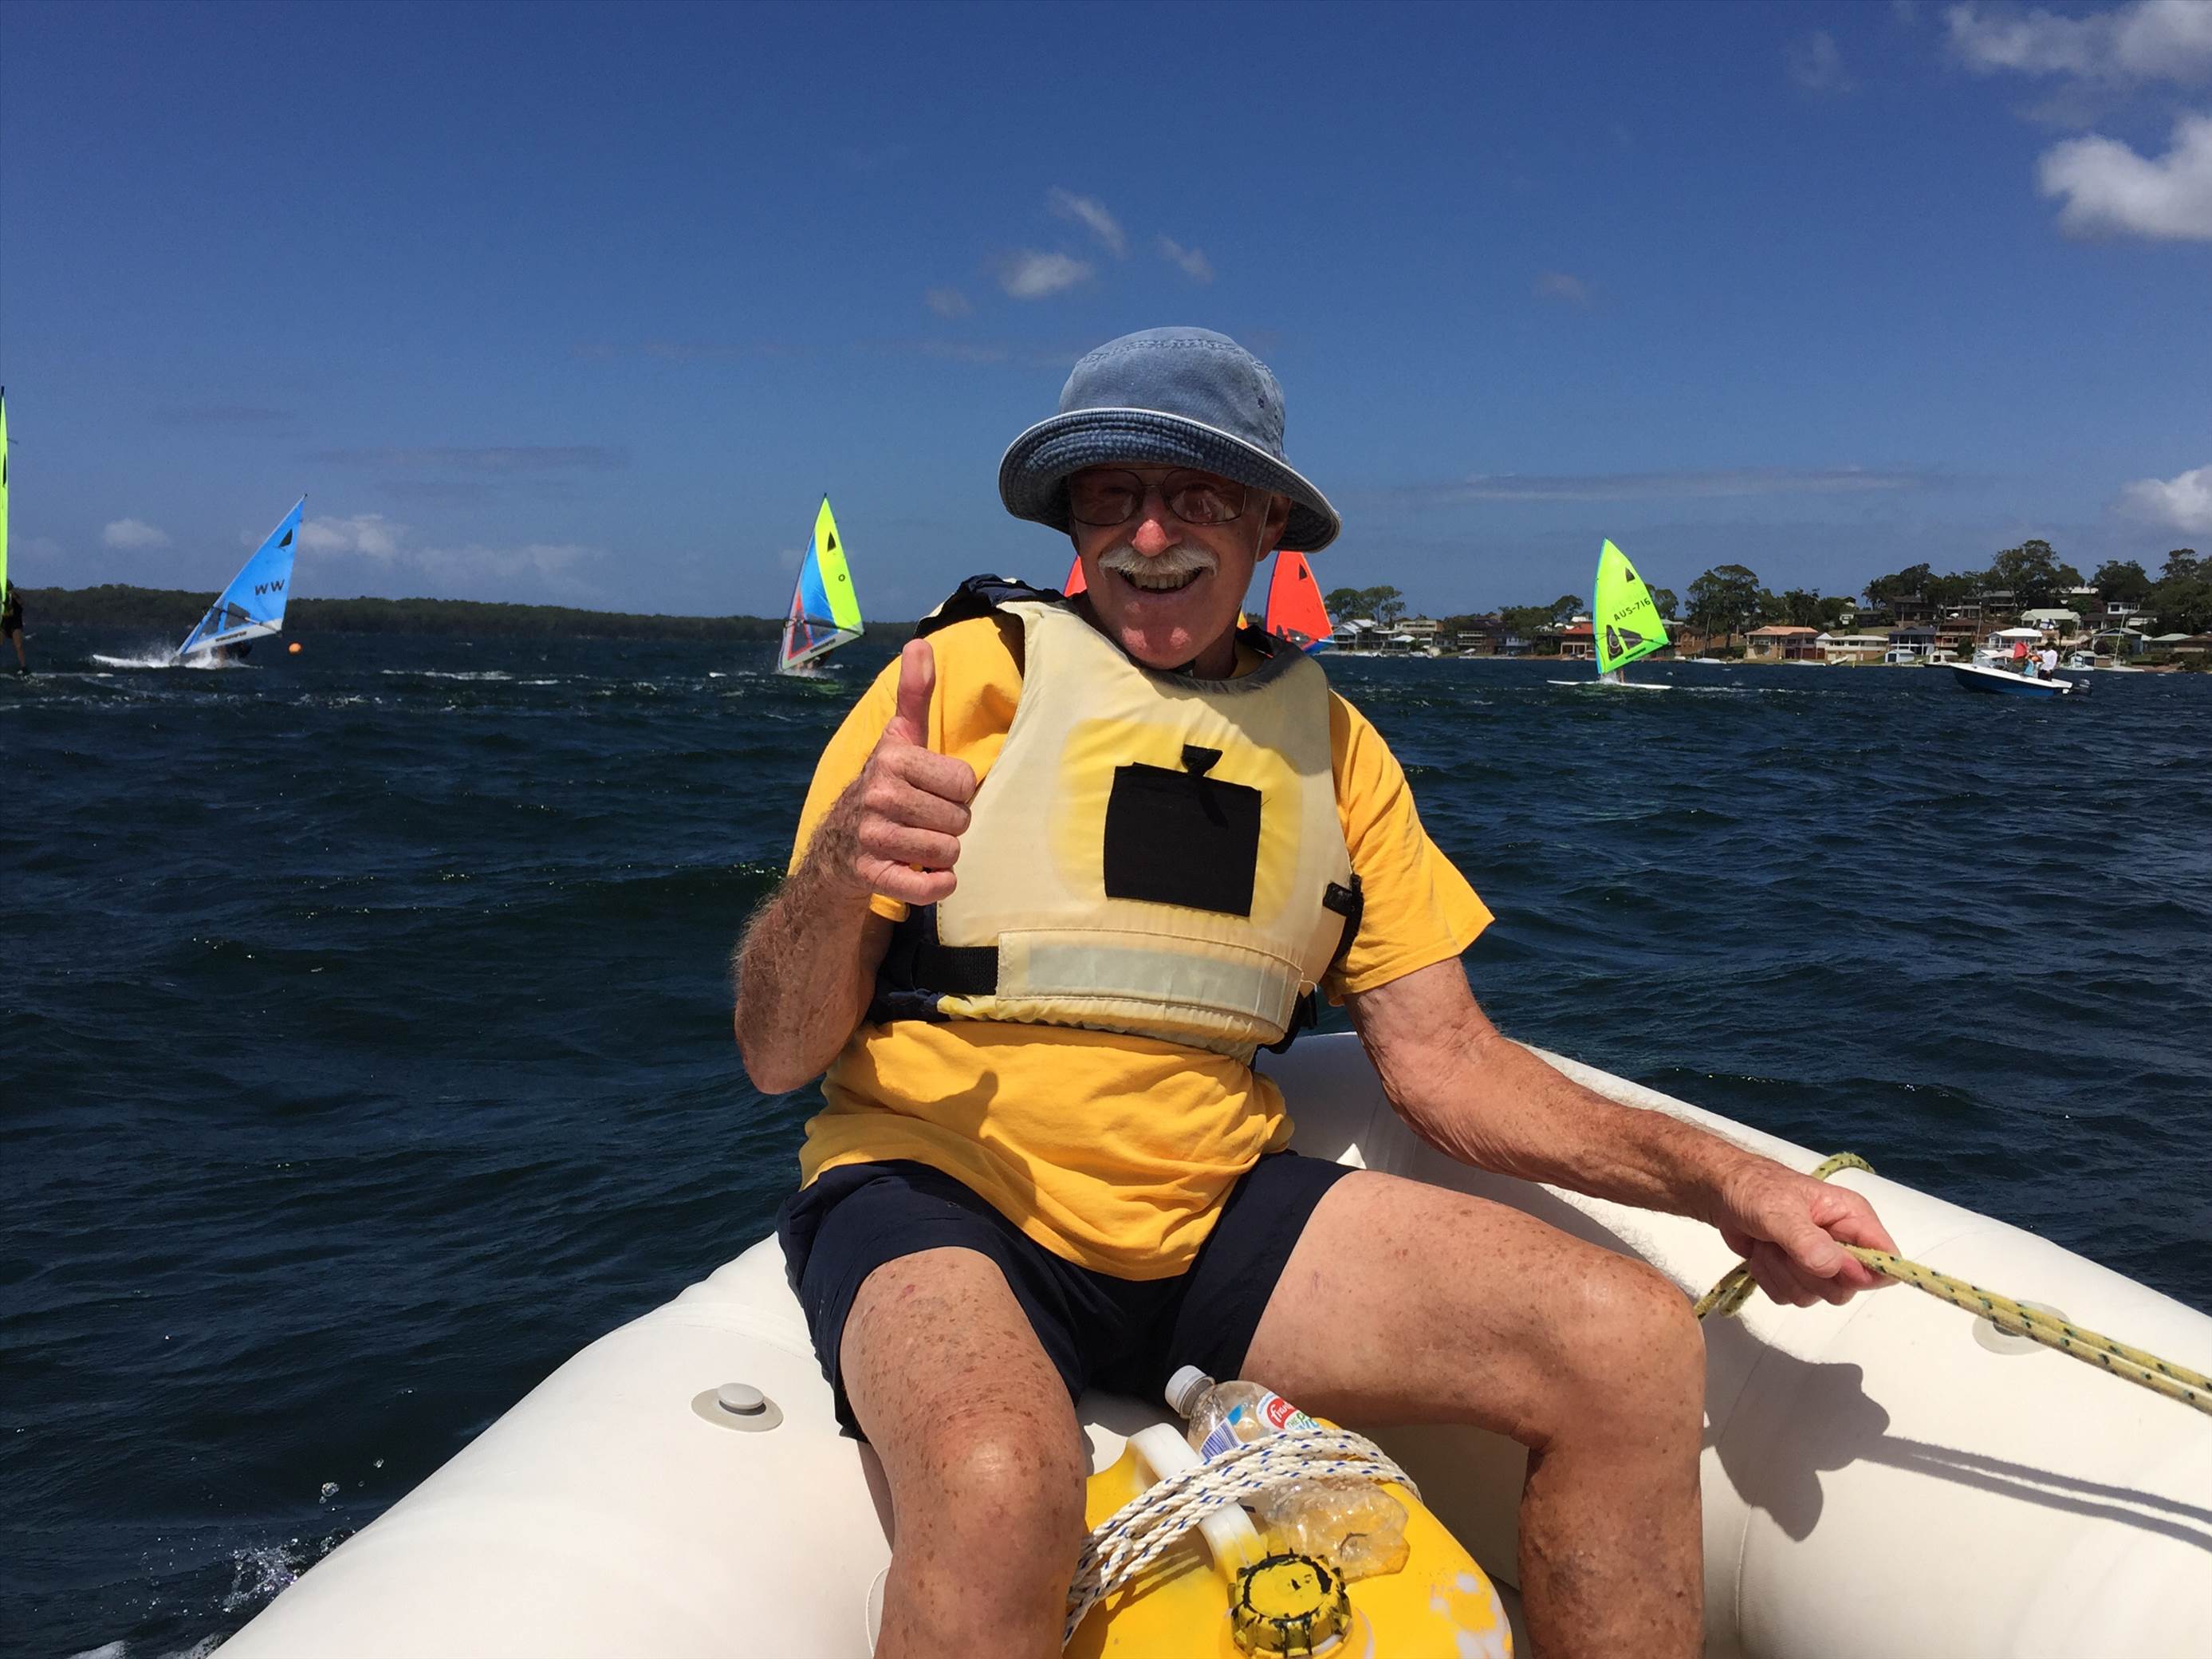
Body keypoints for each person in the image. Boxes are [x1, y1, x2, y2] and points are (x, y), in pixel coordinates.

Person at [730, 327, 1897, 1659]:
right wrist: (836, 874)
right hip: (938, 1192)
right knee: (1000, 1479)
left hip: (1210, 1215)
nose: (1148, 534)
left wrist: (1728, 1183)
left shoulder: (1335, 751)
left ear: (1267, 522)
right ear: (1071, 521)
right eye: (1111, 494)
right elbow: (775, 1055)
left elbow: (1448, 1064)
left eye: (1196, 494)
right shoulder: (952, 686)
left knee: (1625, 1343)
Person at [2, 585, 26, 674]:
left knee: (18, 646)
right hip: (4, 624)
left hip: (15, 624)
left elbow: (21, 603)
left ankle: (24, 667)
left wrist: (14, 596)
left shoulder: (14, 598)